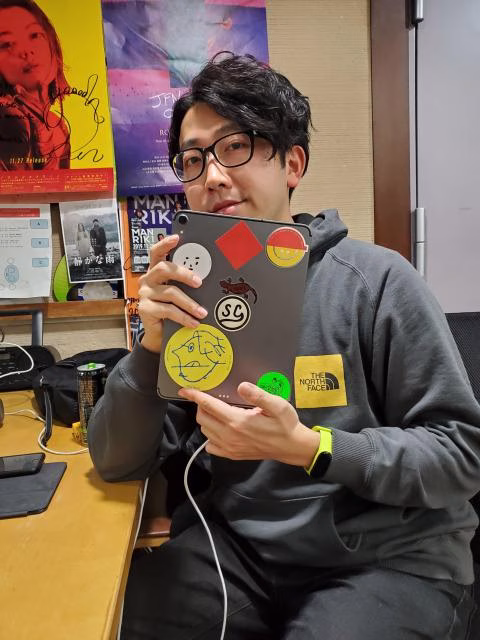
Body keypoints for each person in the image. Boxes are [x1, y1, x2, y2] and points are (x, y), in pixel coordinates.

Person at [88, 53, 480, 639]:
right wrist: (150, 348)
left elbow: (461, 454)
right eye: (193, 159)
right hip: (240, 555)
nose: (212, 175)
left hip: (386, 558)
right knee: (110, 618)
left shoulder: (375, 282)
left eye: (235, 146)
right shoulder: (191, 295)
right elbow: (116, 461)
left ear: (292, 164)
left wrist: (312, 447)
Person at [0, 0, 70, 171]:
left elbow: (62, 186)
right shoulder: (10, 119)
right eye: (7, 43)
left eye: (34, 35)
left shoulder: (58, 126)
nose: (26, 51)